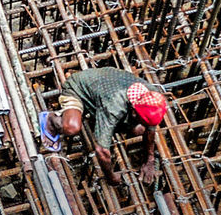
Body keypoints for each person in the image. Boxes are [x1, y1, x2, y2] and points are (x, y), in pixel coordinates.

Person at [39, 67, 167, 184]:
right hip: (78, 89)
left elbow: (150, 129)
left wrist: (149, 160)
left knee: (140, 129)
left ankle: (96, 115)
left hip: (103, 88)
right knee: (71, 127)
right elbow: (101, 151)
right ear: (133, 112)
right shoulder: (114, 106)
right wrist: (111, 177)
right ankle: (51, 120)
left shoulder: (153, 96)